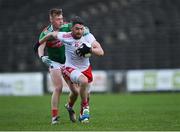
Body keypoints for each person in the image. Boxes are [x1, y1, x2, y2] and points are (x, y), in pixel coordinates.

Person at [39, 16, 104, 123]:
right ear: (72, 28)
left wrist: (90, 49)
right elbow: (50, 35)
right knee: (83, 81)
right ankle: (85, 107)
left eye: (81, 29)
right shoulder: (65, 36)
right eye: (77, 29)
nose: (80, 31)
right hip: (69, 68)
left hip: (85, 69)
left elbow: (101, 52)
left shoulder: (88, 36)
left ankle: (74, 110)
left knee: (84, 94)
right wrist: (38, 44)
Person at [36, 8, 89, 124]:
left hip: (67, 63)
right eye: (58, 19)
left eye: (61, 18)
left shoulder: (67, 26)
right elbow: (41, 45)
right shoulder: (46, 32)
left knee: (75, 92)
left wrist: (85, 31)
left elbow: (82, 28)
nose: (61, 21)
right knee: (58, 87)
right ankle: (54, 117)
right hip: (54, 62)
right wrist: (42, 57)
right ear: (51, 19)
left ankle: (69, 107)